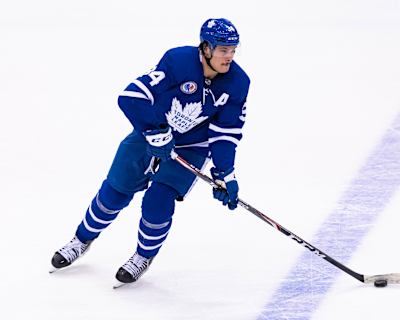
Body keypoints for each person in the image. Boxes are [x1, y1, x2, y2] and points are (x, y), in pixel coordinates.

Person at [50, 18, 250, 285]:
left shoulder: (238, 83)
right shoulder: (178, 62)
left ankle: (143, 256)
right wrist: (154, 130)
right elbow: (131, 97)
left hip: (192, 147)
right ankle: (80, 240)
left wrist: (225, 172)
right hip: (151, 133)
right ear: (206, 47)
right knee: (115, 193)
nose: (230, 56)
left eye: (233, 50)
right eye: (224, 49)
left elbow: (225, 132)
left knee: (158, 200)